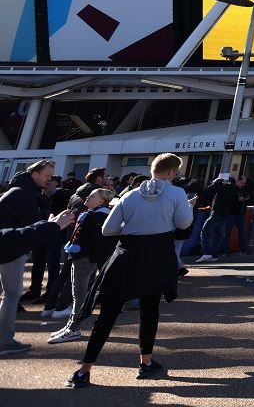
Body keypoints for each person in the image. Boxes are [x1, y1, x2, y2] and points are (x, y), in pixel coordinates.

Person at [66, 153, 192, 388]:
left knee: (108, 314)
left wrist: (132, 227)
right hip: (156, 256)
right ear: (172, 172)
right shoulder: (177, 193)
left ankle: (84, 370)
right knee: (149, 309)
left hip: (126, 254)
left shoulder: (130, 195)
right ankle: (146, 362)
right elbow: (184, 223)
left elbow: (108, 229)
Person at [0, 159, 58, 355]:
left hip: (9, 245)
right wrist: (51, 223)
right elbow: (34, 224)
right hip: (11, 248)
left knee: (10, 294)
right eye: (47, 176)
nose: (49, 180)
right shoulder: (23, 194)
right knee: (12, 294)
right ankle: (5, 341)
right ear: (35, 175)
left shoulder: (19, 190)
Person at [48, 188, 117, 344]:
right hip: (79, 257)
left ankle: (74, 328)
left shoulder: (99, 216)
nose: (87, 197)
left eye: (92, 196)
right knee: (77, 294)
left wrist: (91, 258)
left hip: (84, 259)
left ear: (101, 201)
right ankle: (72, 326)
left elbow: (98, 242)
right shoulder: (92, 213)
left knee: (79, 295)